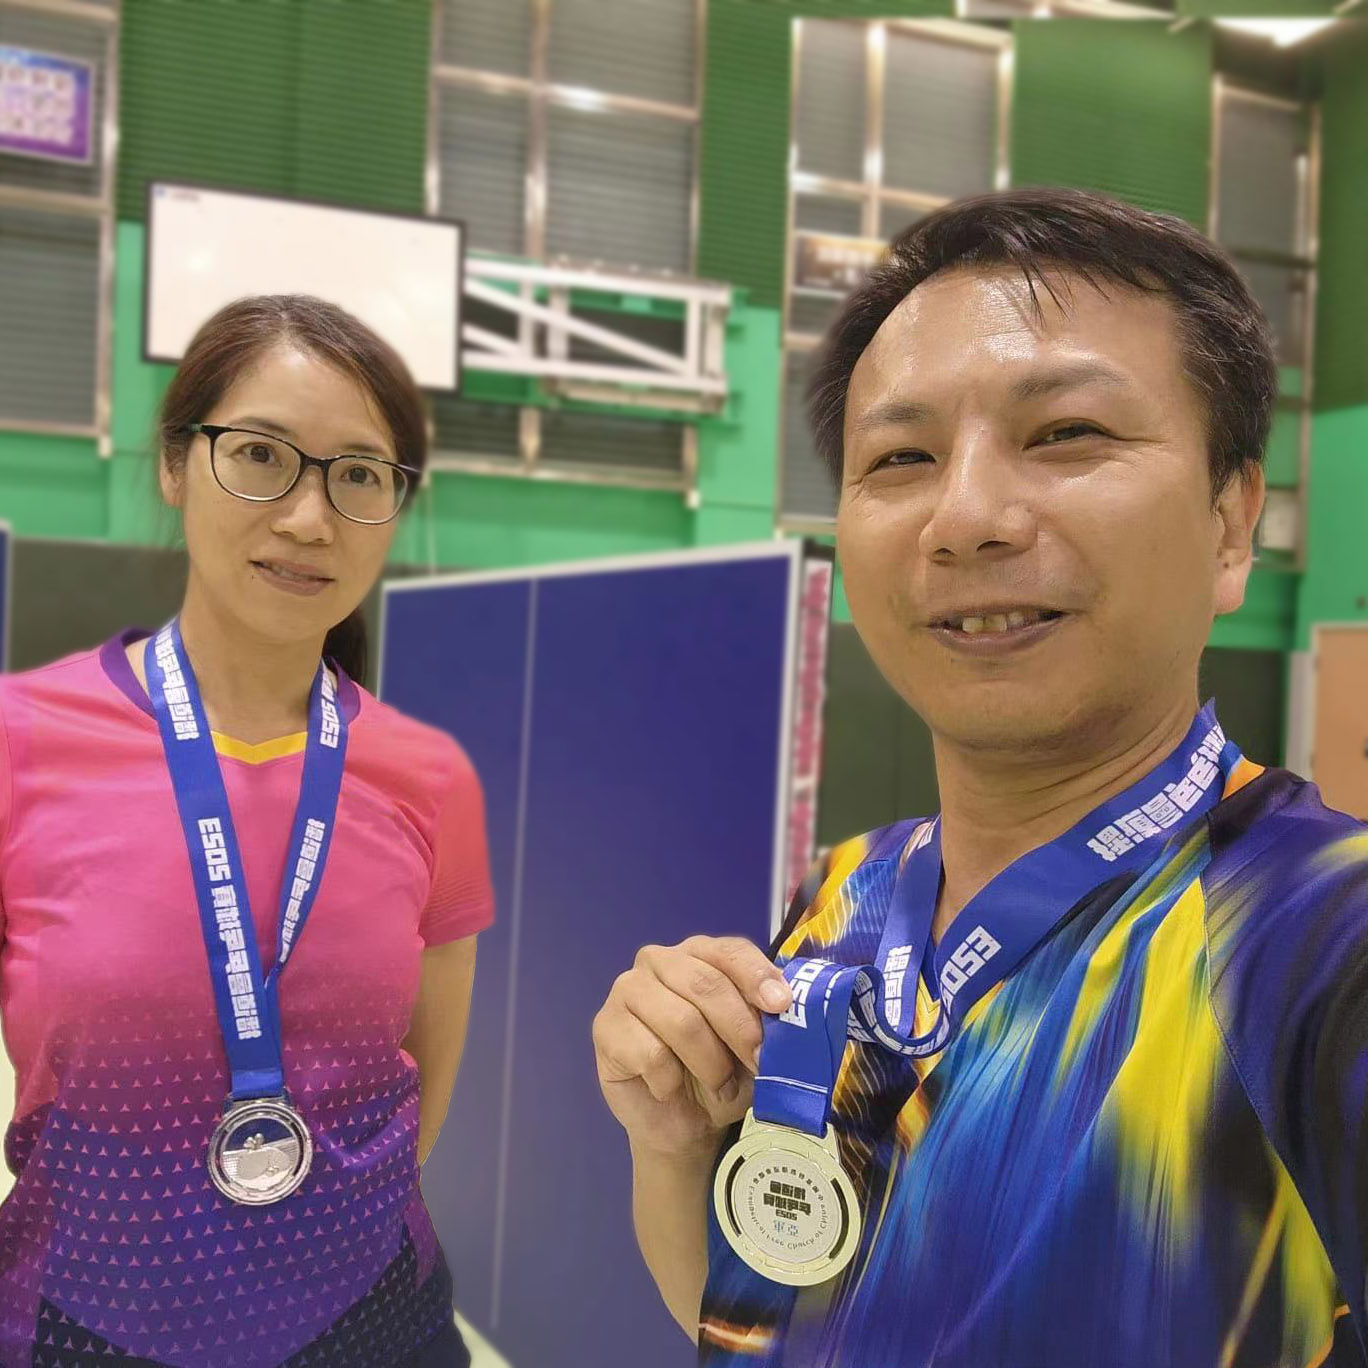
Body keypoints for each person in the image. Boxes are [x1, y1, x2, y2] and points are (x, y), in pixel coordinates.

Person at [592, 187, 1368, 1367]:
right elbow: (755, 1322)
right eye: (901, 457)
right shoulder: (845, 895)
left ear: (1231, 521)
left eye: (1066, 434)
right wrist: (670, 1143)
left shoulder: (1317, 939)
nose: (964, 518)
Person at [0, 296, 493, 1367]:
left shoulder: (430, 779)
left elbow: (420, 1088)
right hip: (81, 1326)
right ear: (175, 465)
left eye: (359, 474)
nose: (310, 519)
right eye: (261, 455)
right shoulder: (19, 740)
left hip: (375, 1325)